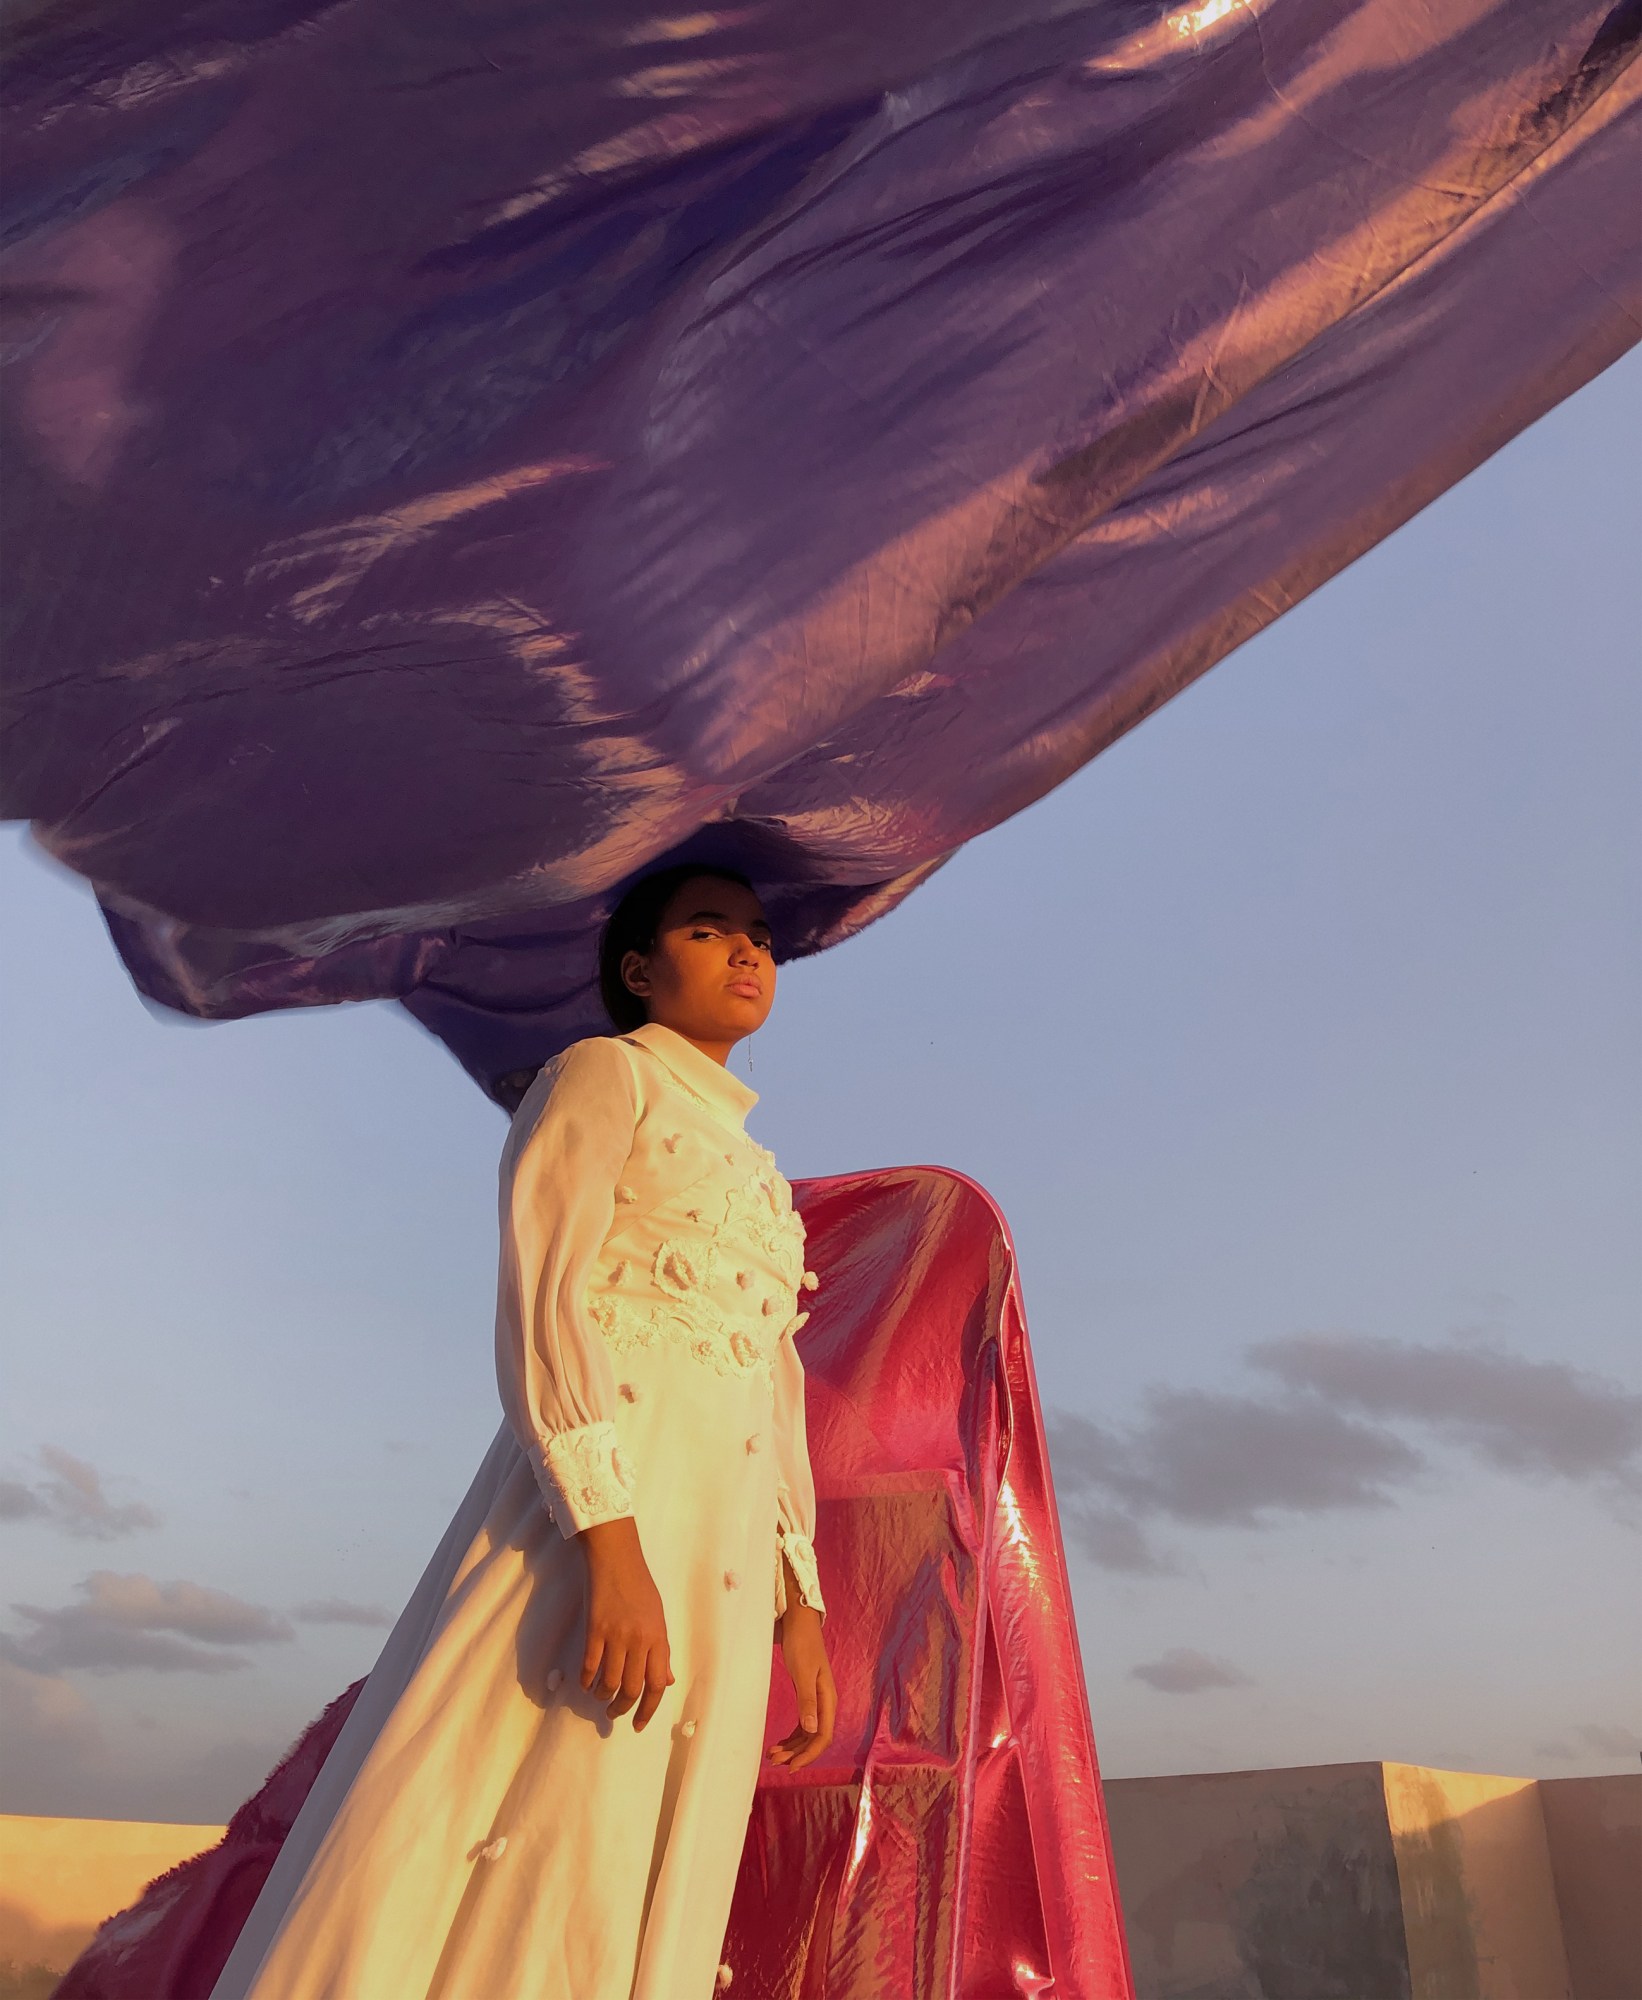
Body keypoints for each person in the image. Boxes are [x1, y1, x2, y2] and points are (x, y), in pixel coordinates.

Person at [209, 864, 835, 2000]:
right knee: (535, 1804)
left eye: (758, 934)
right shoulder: (604, 1075)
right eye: (710, 927)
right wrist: (610, 1543)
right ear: (639, 967)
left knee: (645, 1832)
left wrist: (800, 1601)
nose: (748, 950)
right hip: (596, 1524)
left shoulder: (760, 1169)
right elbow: (542, 1306)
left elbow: (772, 1380)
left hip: (722, 1556)